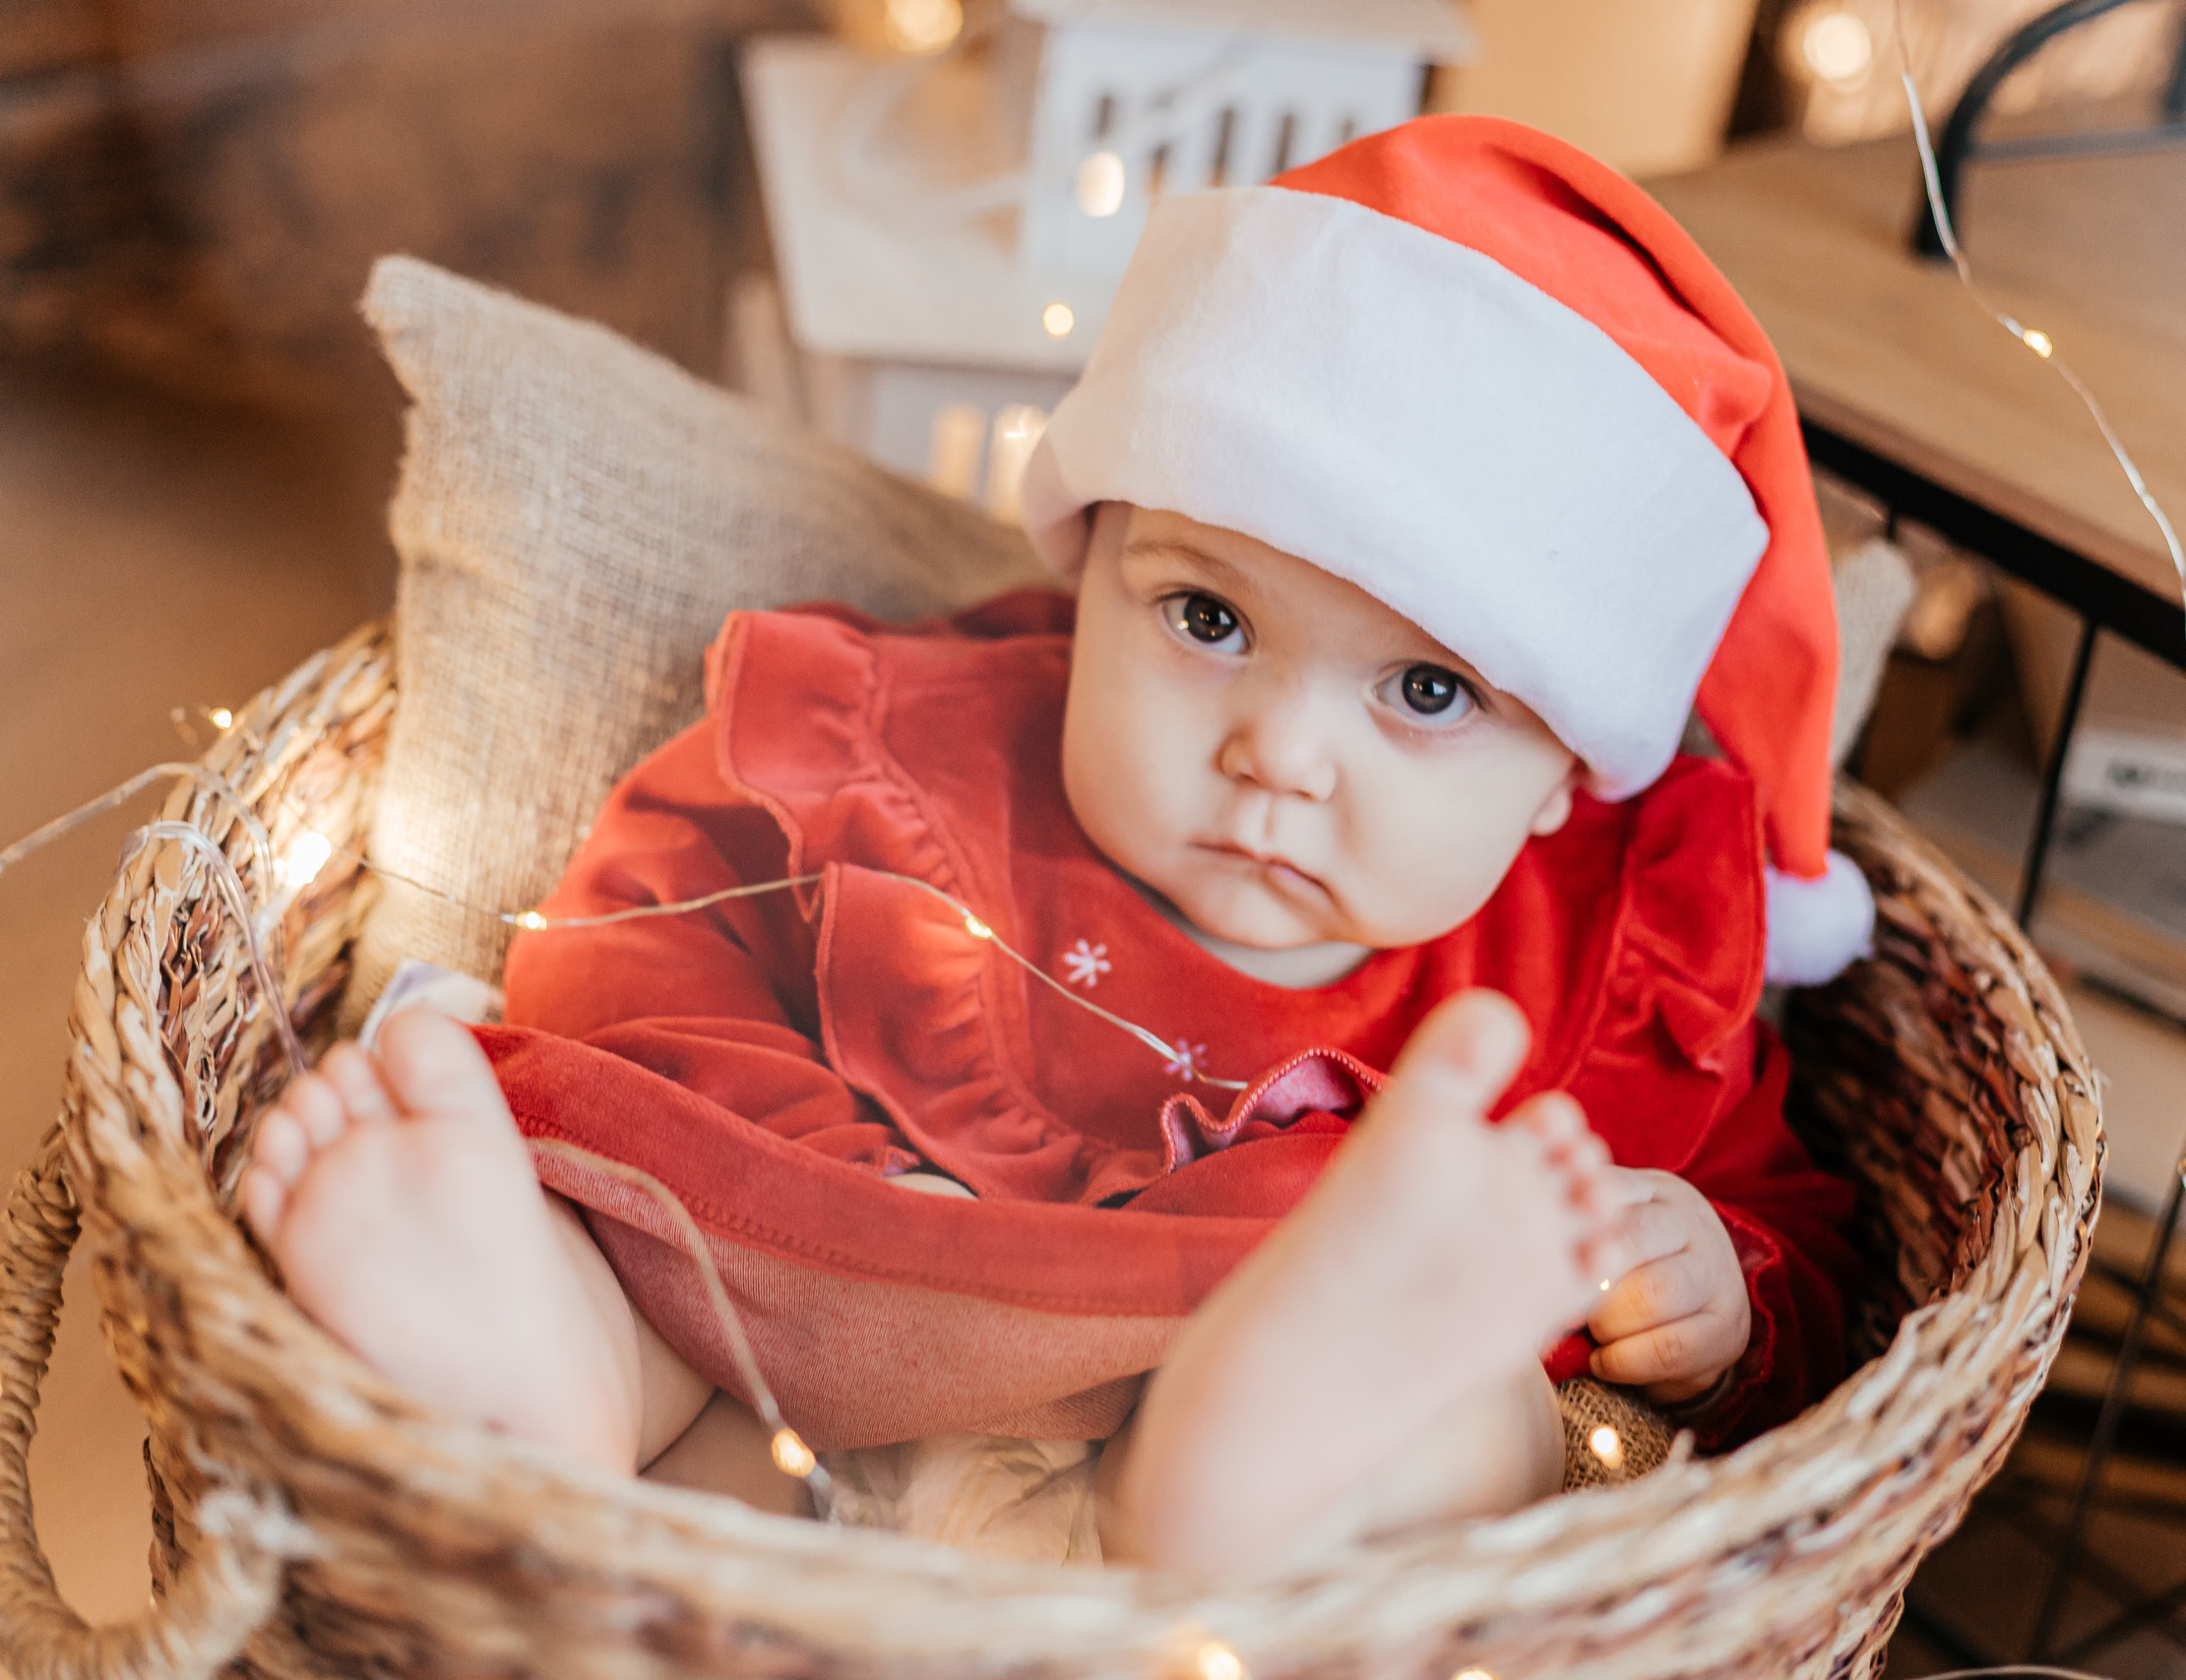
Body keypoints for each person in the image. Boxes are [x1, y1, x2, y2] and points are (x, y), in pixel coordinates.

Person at [237, 115, 1870, 1578]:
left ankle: (1241, 1459)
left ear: (1561, 778)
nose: (1278, 754)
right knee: (646, 1269)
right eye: (1208, 615)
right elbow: (653, 915)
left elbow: (1792, 1229)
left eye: (1427, 688)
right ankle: (547, 1378)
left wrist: (1708, 1282)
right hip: (813, 1381)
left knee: (1483, 1420)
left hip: (1185, 1533)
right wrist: (797, 1187)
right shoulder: (930, 752)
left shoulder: (1604, 964)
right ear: (1090, 569)